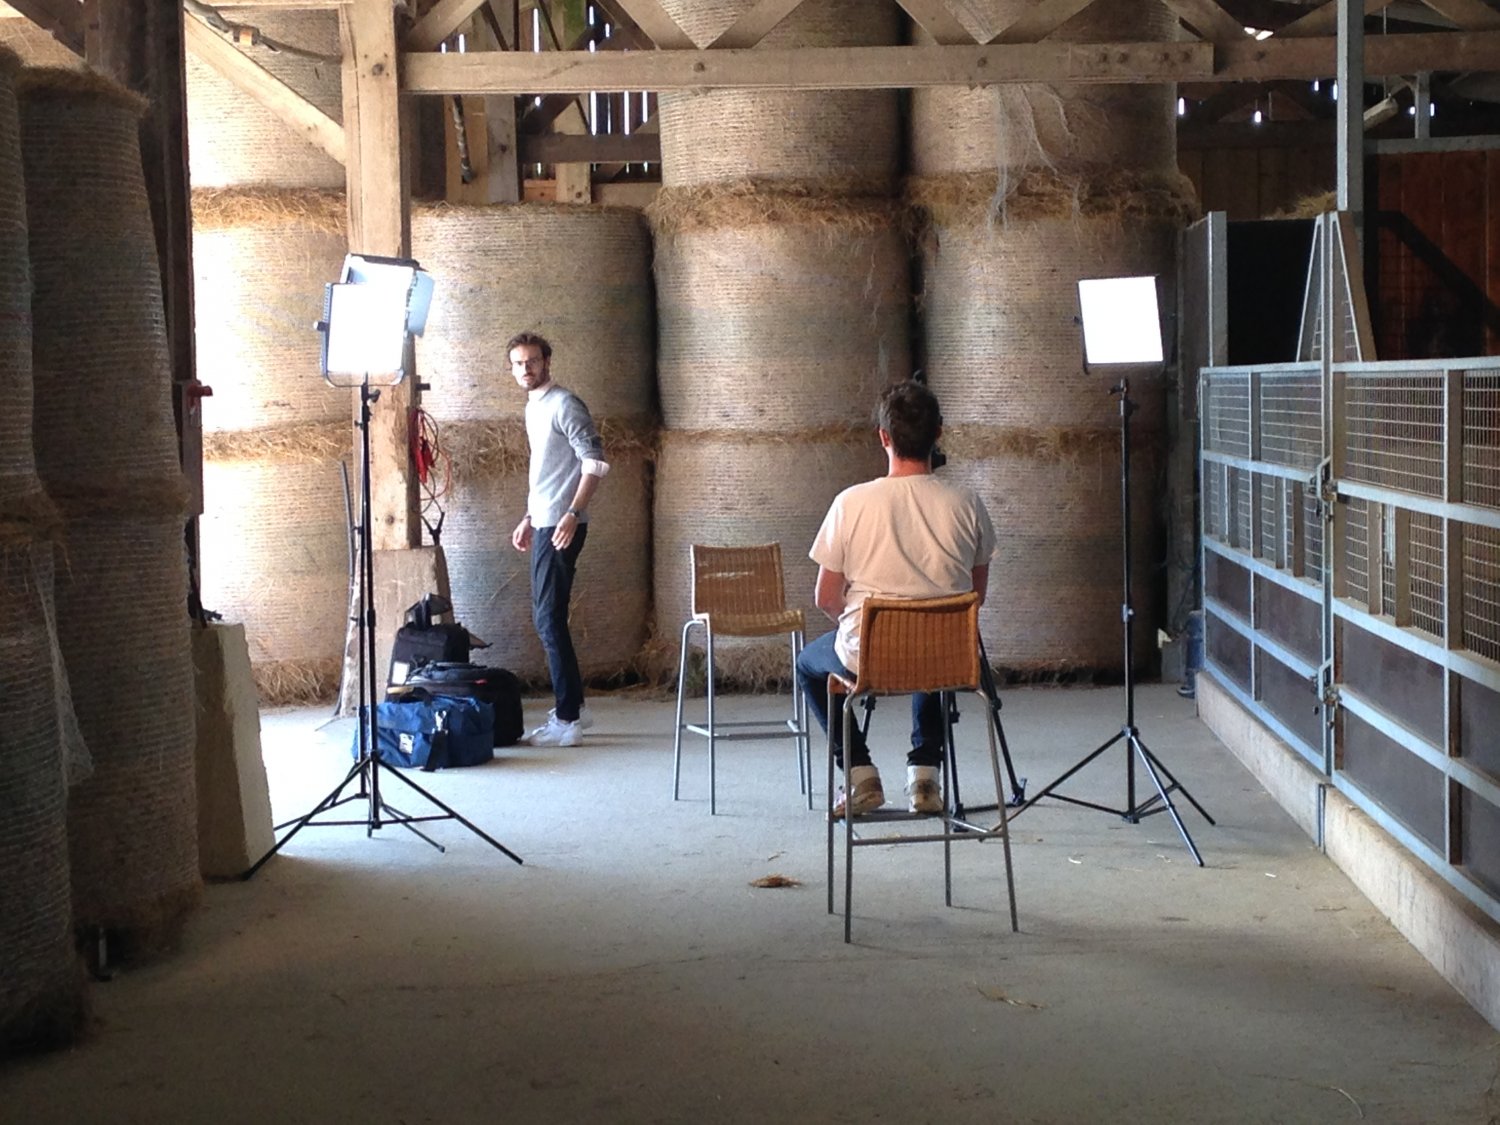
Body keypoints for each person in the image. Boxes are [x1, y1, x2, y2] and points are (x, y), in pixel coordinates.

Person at [795, 380, 996, 818]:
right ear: (938, 433)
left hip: (867, 656)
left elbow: (826, 597)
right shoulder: (968, 503)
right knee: (932, 647)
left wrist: (857, 625)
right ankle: (925, 778)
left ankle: (860, 775)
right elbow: (975, 596)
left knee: (808, 665)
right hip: (950, 653)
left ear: (884, 437)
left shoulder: (850, 503)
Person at [507, 332, 609, 747]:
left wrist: (571, 513)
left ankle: (568, 721)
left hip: (562, 524)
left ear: (547, 361)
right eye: (518, 363)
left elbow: (595, 462)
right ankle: (576, 708)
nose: (526, 369)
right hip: (545, 520)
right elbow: (548, 470)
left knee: (548, 619)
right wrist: (530, 517)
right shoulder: (534, 406)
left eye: (532, 361)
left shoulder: (565, 404)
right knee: (548, 617)